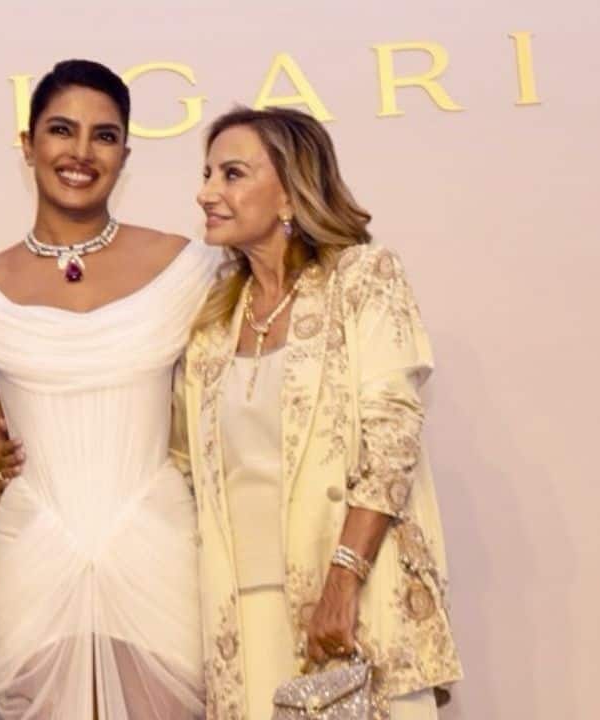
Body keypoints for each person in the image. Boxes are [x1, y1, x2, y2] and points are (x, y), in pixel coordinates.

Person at [0, 60, 219, 719]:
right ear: (28, 144)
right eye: (62, 130)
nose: (82, 152)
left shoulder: (188, 270)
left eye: (104, 135)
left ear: (125, 154)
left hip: (160, 553)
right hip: (31, 561)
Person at [171, 107, 463, 718]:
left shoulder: (361, 278)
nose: (207, 193)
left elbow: (392, 441)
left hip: (350, 605)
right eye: (207, 174)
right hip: (239, 620)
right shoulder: (212, 323)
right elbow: (184, 468)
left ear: (289, 192)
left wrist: (343, 578)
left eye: (232, 174)